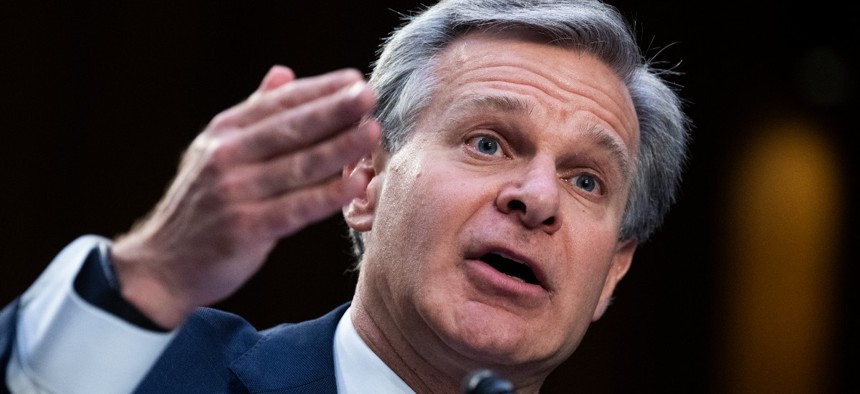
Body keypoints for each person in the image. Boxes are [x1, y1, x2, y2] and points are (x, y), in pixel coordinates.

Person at [0, 0, 691, 393]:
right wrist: (154, 274)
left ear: (613, 273)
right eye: (488, 141)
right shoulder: (162, 374)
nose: (537, 197)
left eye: (586, 180)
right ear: (364, 183)